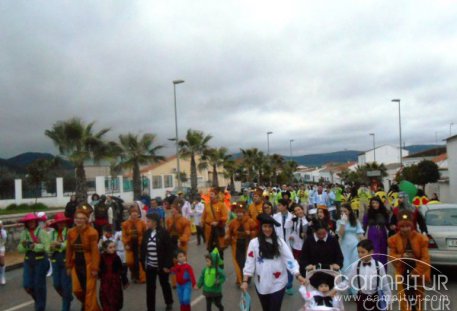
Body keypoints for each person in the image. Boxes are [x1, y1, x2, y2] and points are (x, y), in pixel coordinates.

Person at [241, 214, 306, 311]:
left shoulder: (280, 242)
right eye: (265, 226)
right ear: (261, 227)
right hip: (261, 283)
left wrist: (297, 275)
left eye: (270, 227)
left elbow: (289, 259)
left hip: (278, 283)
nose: (267, 229)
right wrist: (245, 281)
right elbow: (249, 263)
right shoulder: (254, 243)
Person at [389, 210, 430, 311]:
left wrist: (416, 271)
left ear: (411, 226)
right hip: (402, 271)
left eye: (407, 226)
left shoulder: (421, 239)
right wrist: (402, 256)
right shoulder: (393, 240)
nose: (405, 229)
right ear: (399, 227)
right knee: (404, 298)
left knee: (418, 298)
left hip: (417, 271)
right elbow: (391, 256)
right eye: (402, 227)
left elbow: (426, 258)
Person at [66, 203, 101, 311]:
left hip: (89, 264)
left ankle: (89, 307)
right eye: (77, 218)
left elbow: (95, 252)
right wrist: (68, 265)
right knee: (77, 290)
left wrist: (95, 268)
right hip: (76, 264)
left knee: (89, 290)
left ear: (86, 220)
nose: (79, 220)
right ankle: (88, 304)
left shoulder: (92, 232)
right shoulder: (71, 232)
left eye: (81, 218)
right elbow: (69, 250)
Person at [140, 213, 174, 311]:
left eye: (148, 221)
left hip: (162, 265)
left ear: (154, 222)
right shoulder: (146, 233)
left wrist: (167, 265)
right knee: (150, 288)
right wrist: (143, 262)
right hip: (150, 265)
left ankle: (169, 302)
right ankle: (150, 308)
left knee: (164, 284)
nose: (147, 223)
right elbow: (143, 248)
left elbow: (169, 250)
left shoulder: (164, 233)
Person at [346, 239, 391, 311]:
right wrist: (335, 289)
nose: (360, 255)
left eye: (363, 252)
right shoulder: (355, 265)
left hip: (375, 298)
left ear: (371, 252)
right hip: (361, 297)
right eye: (358, 252)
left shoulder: (379, 266)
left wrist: (388, 302)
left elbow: (385, 286)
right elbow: (348, 282)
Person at [18, 213, 50, 311]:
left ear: (36, 222)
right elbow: (19, 249)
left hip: (41, 261)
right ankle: (38, 301)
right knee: (27, 285)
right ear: (26, 223)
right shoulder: (24, 233)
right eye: (29, 222)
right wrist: (24, 245)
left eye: (33, 221)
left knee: (39, 286)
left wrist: (34, 246)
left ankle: (40, 307)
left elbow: (47, 247)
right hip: (28, 260)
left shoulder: (42, 232)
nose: (31, 223)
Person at [224, 202, 257, 285]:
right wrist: (227, 236)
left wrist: (250, 233)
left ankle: (246, 278)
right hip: (237, 244)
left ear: (244, 213)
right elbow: (229, 232)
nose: (239, 214)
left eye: (241, 212)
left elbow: (256, 231)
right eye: (238, 212)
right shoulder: (233, 222)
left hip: (247, 244)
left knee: (246, 261)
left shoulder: (250, 221)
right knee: (238, 262)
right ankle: (240, 278)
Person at [49, 213, 73, 311]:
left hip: (66, 260)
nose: (61, 224)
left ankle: (65, 307)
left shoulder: (69, 232)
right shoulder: (52, 233)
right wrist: (51, 247)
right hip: (55, 260)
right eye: (59, 223)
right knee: (56, 284)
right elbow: (48, 247)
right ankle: (68, 297)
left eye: (62, 222)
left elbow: (69, 245)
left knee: (66, 285)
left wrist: (59, 245)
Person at [272, 199, 295, 295]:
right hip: (278, 243)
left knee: (289, 264)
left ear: (285, 206)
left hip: (289, 244)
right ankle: (280, 283)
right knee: (278, 264)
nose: (278, 207)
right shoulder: (275, 216)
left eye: (280, 205)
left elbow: (295, 230)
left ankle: (289, 285)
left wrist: (293, 235)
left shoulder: (292, 217)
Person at [99, 240, 129, 311]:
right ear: (105, 249)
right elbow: (99, 268)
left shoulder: (116, 257)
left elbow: (121, 270)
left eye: (114, 247)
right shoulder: (102, 257)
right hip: (105, 281)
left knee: (115, 298)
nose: (113, 249)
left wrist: (124, 281)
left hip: (115, 281)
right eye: (110, 247)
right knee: (105, 297)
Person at [337, 204, 364, 280]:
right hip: (344, 246)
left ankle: (355, 287)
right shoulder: (339, 222)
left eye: (345, 211)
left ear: (349, 211)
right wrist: (343, 223)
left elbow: (360, 234)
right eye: (341, 211)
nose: (343, 213)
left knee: (354, 265)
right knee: (345, 265)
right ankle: (347, 285)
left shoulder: (355, 221)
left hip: (354, 246)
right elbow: (340, 234)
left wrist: (366, 245)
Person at [122, 205, 146, 283]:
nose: (134, 216)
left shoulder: (142, 223)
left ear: (138, 214)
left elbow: (145, 234)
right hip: (130, 245)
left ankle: (141, 278)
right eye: (133, 215)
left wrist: (142, 241)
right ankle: (133, 273)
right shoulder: (125, 224)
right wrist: (126, 244)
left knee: (139, 261)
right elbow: (124, 235)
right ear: (130, 215)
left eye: (136, 214)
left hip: (139, 245)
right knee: (130, 261)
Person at [202, 188, 228, 260]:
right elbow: (203, 217)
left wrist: (218, 222)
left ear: (216, 195)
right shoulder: (207, 205)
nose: (210, 196)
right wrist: (202, 224)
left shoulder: (221, 205)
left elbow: (225, 216)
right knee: (210, 249)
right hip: (209, 231)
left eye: (212, 194)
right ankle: (212, 266)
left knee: (219, 249)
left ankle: (220, 267)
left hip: (218, 229)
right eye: (210, 195)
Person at [363, 197, 390, 266]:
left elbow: (388, 225)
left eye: (376, 203)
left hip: (383, 235)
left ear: (380, 204)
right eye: (373, 203)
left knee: (383, 253)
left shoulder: (384, 212)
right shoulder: (368, 213)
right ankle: (374, 270)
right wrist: (362, 236)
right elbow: (364, 226)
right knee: (374, 252)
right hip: (372, 235)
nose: (375, 205)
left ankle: (383, 271)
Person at [0, 220, 7, 285]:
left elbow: (4, 239)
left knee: (2, 263)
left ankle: (2, 276)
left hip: (1, 248)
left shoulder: (3, 232)